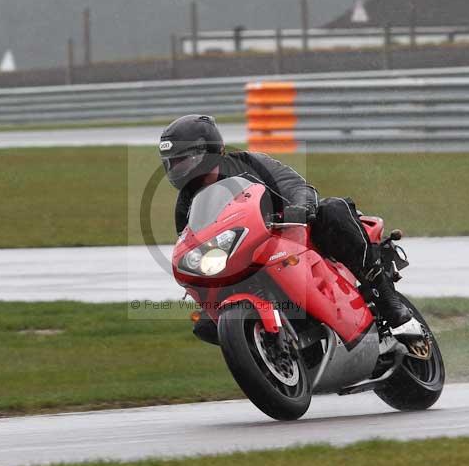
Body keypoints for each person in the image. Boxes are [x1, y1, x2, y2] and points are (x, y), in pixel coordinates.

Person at [159, 114, 423, 342]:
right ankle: (268, 347)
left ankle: (389, 303)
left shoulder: (250, 163)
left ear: (207, 151)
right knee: (206, 325)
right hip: (247, 256)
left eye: (183, 160)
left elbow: (297, 186)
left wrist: (301, 207)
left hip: (295, 234)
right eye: (172, 163)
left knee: (333, 209)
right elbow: (193, 243)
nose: (177, 169)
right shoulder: (186, 204)